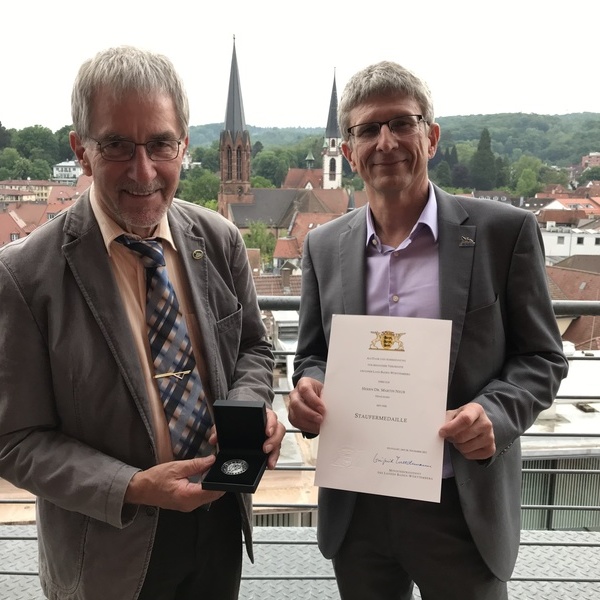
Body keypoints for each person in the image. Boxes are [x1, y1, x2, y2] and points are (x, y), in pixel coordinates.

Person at [0, 46, 285, 600]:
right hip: (109, 549)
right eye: (116, 146)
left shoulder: (219, 240)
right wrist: (131, 487)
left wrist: (252, 409)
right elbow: (14, 440)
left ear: (183, 143)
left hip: (221, 525)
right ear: (80, 150)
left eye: (160, 144)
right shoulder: (25, 275)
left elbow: (252, 349)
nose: (143, 170)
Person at [288, 60, 569, 600]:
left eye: (402, 123)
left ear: (431, 136)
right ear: (348, 150)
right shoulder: (323, 248)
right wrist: (309, 389)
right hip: (359, 507)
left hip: (461, 508)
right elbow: (311, 356)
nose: (385, 141)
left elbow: (542, 357)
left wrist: (494, 413)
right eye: (367, 129)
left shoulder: (503, 233)